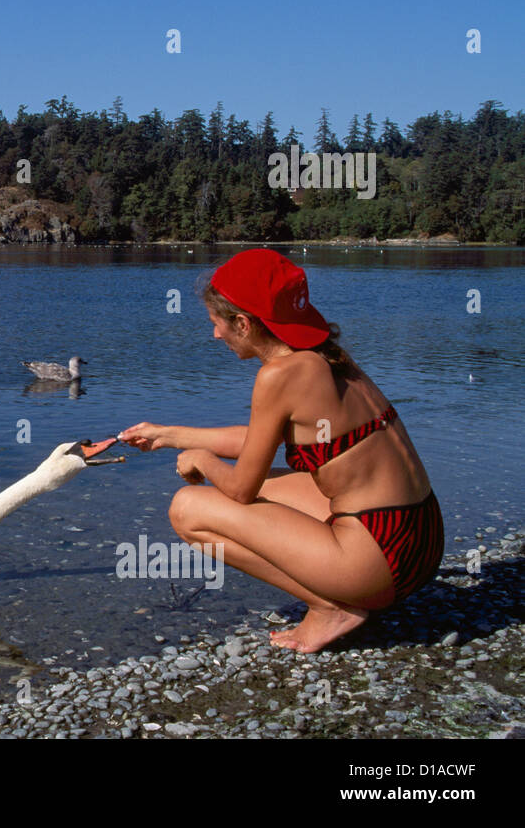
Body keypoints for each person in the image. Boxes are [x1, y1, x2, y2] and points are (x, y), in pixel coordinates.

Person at [119, 249, 443, 652]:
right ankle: (345, 590)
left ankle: (329, 607)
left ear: (243, 322)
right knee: (271, 486)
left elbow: (241, 490)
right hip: (420, 539)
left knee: (188, 508)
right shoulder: (325, 356)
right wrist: (170, 435)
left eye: (217, 324)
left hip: (380, 560)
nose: (215, 335)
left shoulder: (278, 375)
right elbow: (261, 440)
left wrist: (201, 460)